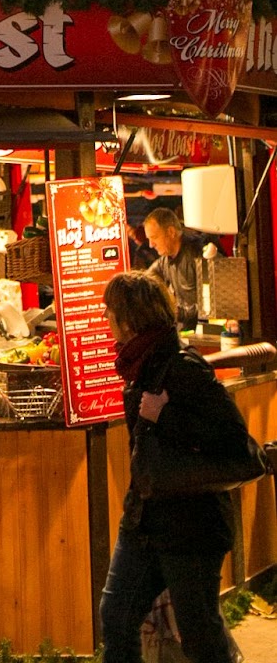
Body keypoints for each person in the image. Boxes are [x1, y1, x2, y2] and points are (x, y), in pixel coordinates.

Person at [100, 270, 245, 663]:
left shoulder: (183, 367)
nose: (105, 319)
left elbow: (237, 444)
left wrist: (167, 417)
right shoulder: (137, 365)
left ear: (130, 317)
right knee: (115, 616)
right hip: (144, 518)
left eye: (110, 311)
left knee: (199, 635)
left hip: (190, 525)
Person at [144, 207, 203, 330]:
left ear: (171, 232)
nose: (151, 245)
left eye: (154, 237)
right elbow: (144, 280)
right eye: (149, 239)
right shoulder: (165, 260)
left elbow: (214, 303)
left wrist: (177, 313)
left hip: (205, 334)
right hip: (184, 332)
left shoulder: (198, 254)